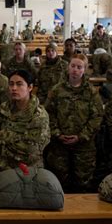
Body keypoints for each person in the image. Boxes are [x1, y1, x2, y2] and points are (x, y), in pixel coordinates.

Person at [44, 54, 103, 192]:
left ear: (84, 70)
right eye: (73, 66)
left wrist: (81, 136)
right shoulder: (57, 90)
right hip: (59, 144)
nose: (75, 70)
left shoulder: (91, 92)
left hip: (84, 146)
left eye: (79, 67)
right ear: (68, 67)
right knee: (58, 182)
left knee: (83, 183)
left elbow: (97, 117)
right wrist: (57, 134)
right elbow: (48, 114)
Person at [0, 70, 49, 174]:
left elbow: (31, 149)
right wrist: (15, 137)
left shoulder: (38, 115)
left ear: (30, 87)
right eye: (11, 84)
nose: (14, 88)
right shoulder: (3, 108)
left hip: (24, 169)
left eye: (19, 84)